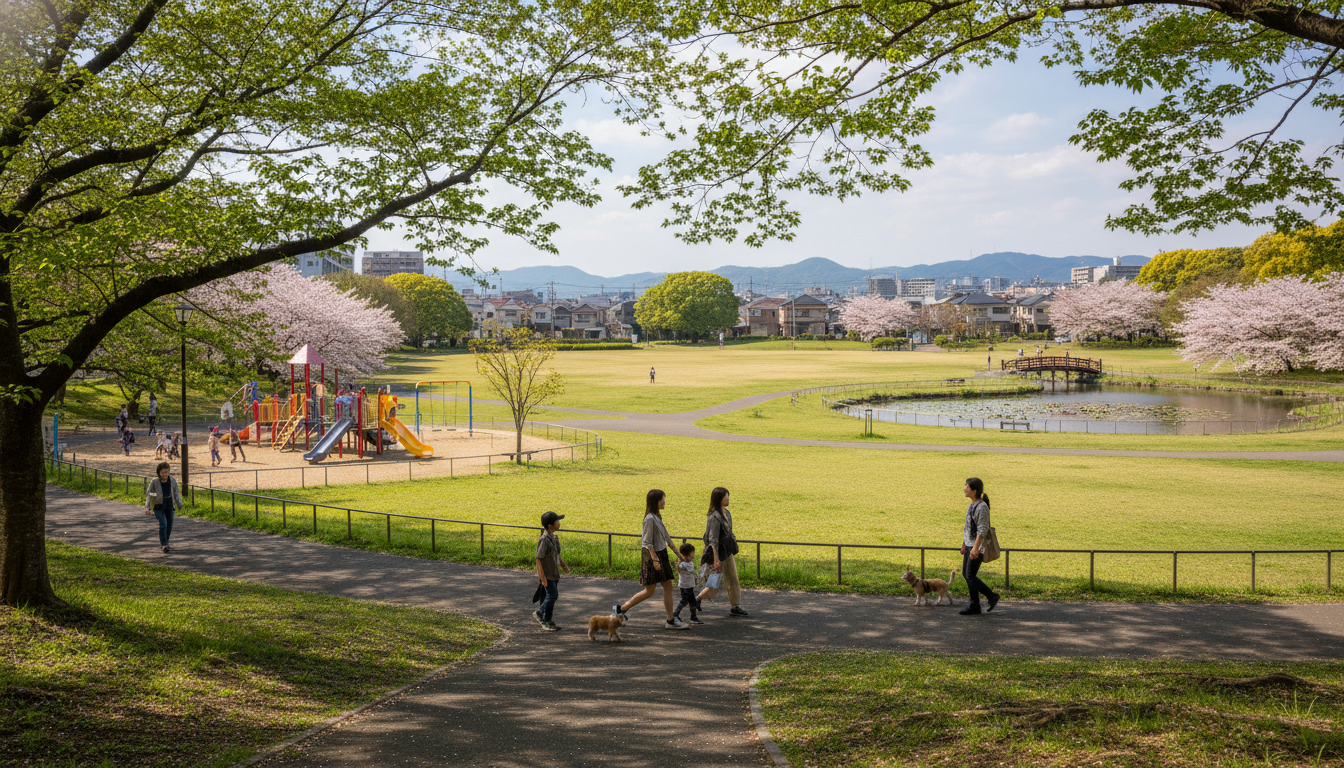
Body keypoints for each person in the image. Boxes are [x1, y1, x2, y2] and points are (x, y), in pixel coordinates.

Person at [612, 489, 689, 630]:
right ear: (657, 501)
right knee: (650, 591)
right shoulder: (649, 519)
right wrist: (655, 560)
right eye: (662, 499)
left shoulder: (656, 517)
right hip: (653, 556)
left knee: (667, 586)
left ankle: (670, 620)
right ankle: (621, 609)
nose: (664, 502)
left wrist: (680, 556)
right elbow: (647, 542)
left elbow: (667, 539)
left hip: (661, 554)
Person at [697, 487, 749, 617]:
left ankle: (735, 605)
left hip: (727, 551)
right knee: (714, 584)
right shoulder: (714, 516)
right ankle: (697, 599)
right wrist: (716, 559)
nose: (728, 499)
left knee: (733, 578)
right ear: (719, 498)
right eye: (726, 496)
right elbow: (712, 539)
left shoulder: (727, 513)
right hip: (718, 553)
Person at [959, 477, 1001, 616]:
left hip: (977, 546)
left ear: (974, 490)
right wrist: (964, 544)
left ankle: (989, 597)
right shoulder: (973, 504)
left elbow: (982, 529)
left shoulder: (981, 507)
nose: (964, 487)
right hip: (970, 544)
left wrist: (976, 548)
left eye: (967, 485)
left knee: (970, 575)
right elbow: (969, 527)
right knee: (966, 574)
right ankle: (976, 604)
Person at [534, 511, 570, 631]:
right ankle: (539, 613)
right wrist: (543, 578)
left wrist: (563, 565)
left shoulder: (554, 537)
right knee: (553, 595)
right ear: (550, 525)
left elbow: (556, 554)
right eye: (557, 522)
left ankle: (548, 620)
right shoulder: (544, 540)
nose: (559, 523)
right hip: (547, 574)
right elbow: (539, 559)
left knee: (551, 597)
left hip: (554, 573)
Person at [145, 461, 183, 553]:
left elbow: (176, 492)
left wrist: (179, 503)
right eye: (162, 472)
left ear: (169, 472)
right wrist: (147, 507)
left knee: (169, 526)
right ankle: (164, 544)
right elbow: (149, 494)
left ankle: (166, 541)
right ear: (159, 473)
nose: (165, 474)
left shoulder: (172, 480)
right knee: (163, 524)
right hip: (159, 507)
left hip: (169, 506)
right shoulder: (154, 482)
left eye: (166, 472)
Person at [673, 542, 704, 625]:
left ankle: (693, 617)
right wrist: (701, 573)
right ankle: (675, 614)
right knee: (684, 601)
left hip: (688, 585)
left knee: (691, 601)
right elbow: (692, 571)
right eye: (692, 553)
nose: (694, 555)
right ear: (688, 554)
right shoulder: (685, 564)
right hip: (685, 587)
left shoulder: (683, 563)